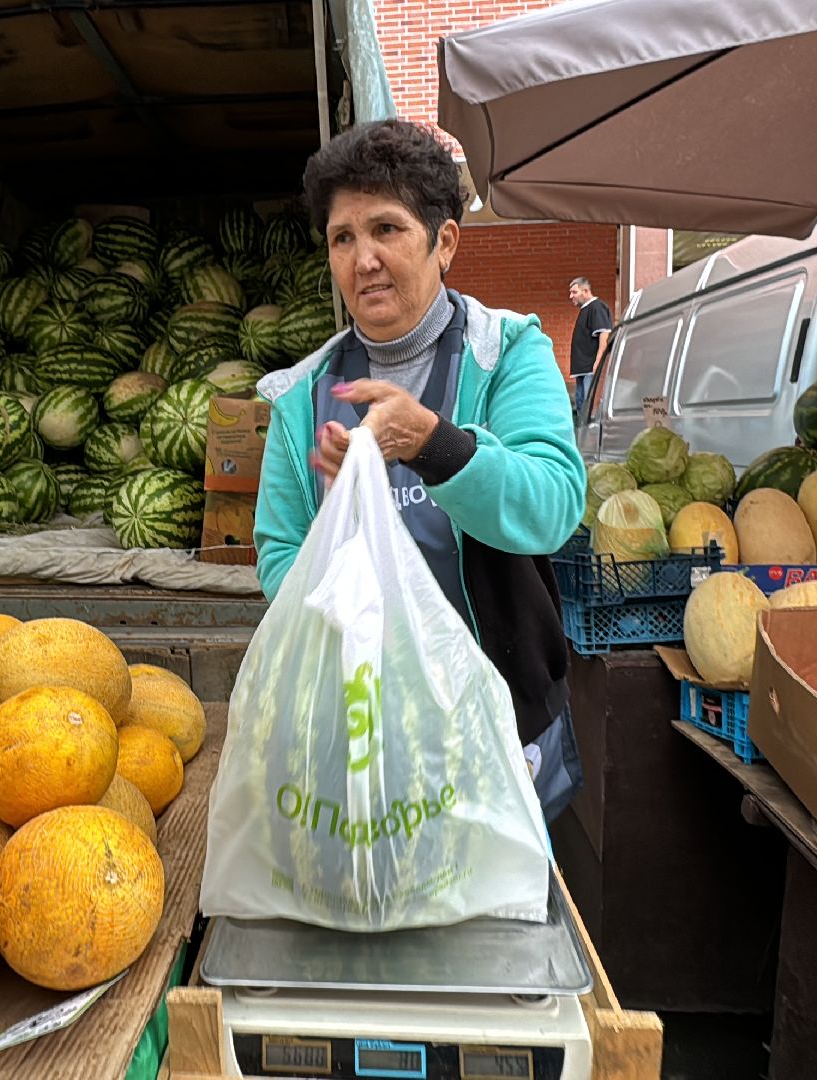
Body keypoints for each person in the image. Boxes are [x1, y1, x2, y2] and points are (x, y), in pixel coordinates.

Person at [251, 118, 588, 821]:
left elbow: (553, 506)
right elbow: (279, 553)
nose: (363, 258)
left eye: (387, 229)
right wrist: (337, 543)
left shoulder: (508, 352)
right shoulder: (299, 399)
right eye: (343, 238)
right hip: (363, 735)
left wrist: (434, 444)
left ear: (446, 242)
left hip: (501, 726)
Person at [567, 277, 614, 419]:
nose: (571, 296)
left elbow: (604, 335)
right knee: (582, 410)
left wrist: (598, 362)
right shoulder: (585, 310)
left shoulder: (597, 307)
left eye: (574, 292)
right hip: (582, 371)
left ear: (585, 291)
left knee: (591, 412)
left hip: (590, 370)